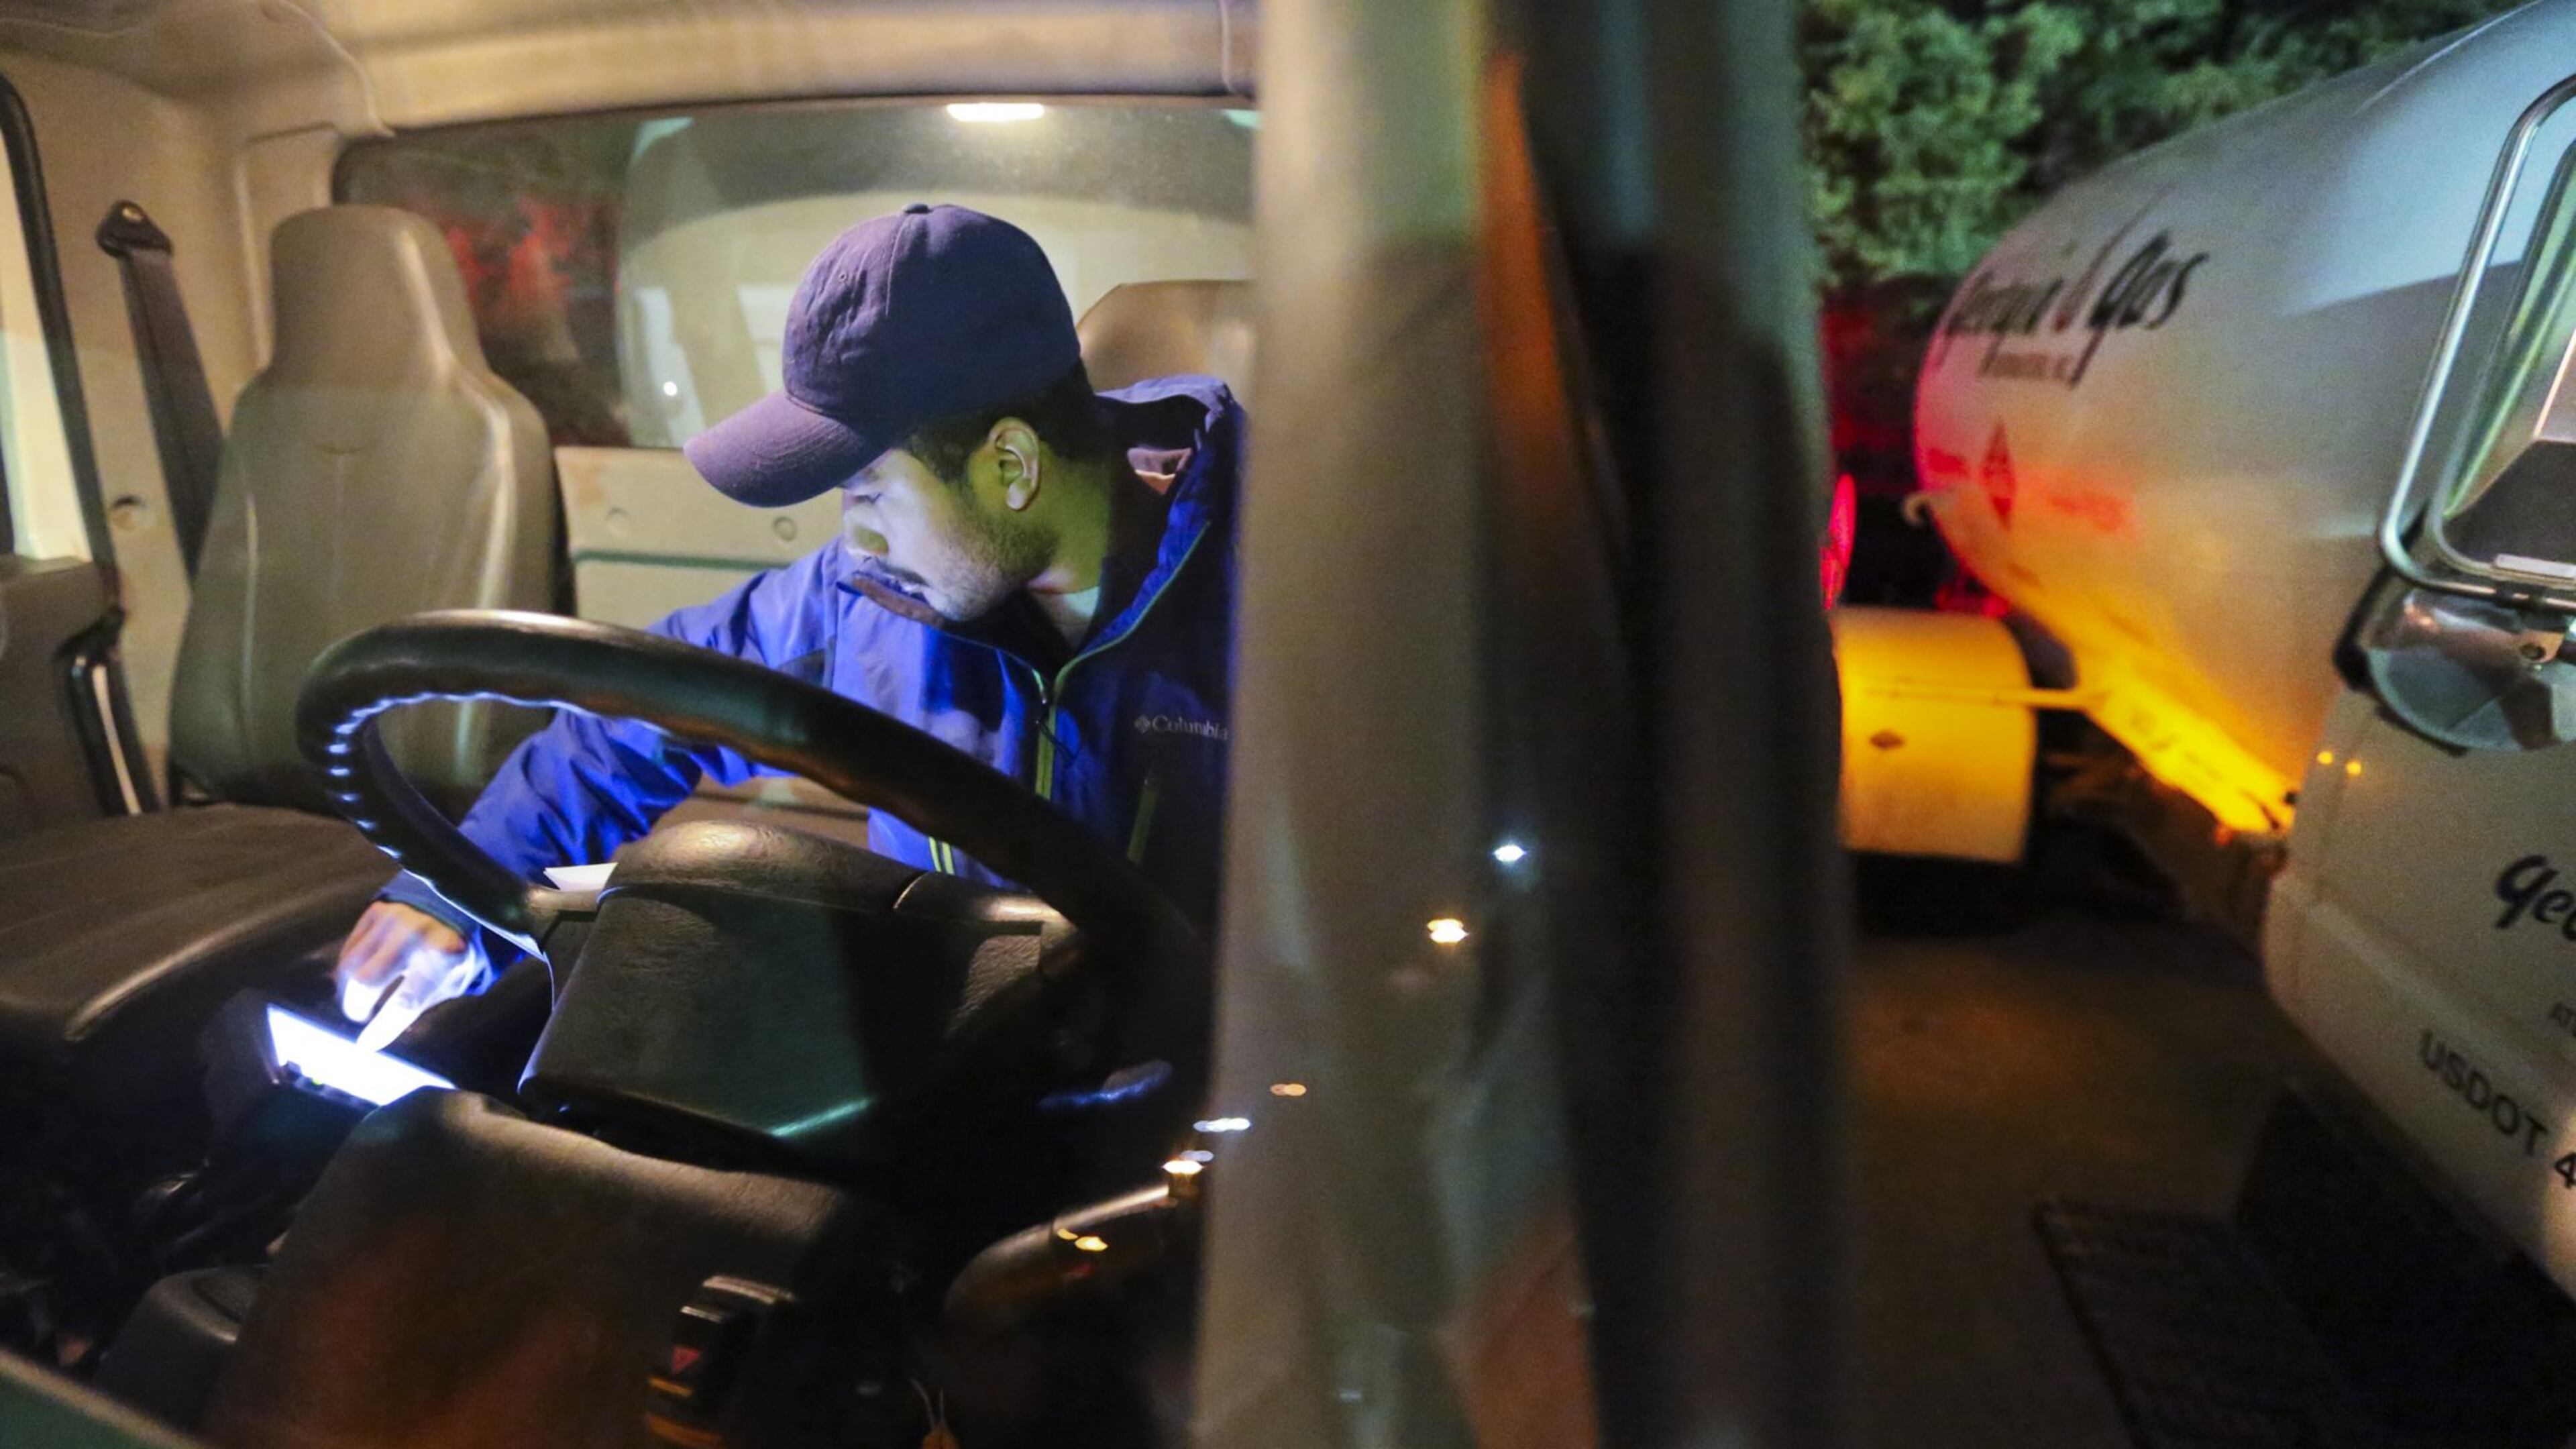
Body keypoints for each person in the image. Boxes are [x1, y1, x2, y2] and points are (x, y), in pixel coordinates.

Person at [333, 203, 1242, 1034]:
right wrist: (456, 895)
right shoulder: (859, 600)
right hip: (968, 1061)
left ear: (1011, 467)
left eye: (870, 490)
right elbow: (645, 703)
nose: (856, 542)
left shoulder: (1289, 604)